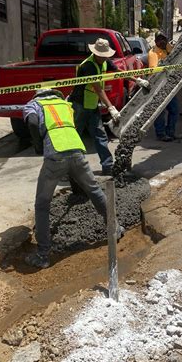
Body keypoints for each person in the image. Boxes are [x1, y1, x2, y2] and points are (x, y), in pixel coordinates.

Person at [23, 88, 123, 269]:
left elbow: (31, 122)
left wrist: (38, 145)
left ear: (37, 96)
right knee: (94, 190)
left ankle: (43, 255)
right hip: (77, 151)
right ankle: (115, 228)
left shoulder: (33, 105)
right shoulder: (65, 104)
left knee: (42, 203)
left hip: (55, 155)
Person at [69, 37, 120, 175]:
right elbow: (98, 89)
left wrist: (136, 79)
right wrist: (111, 107)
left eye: (106, 56)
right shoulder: (89, 66)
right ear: (95, 53)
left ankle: (108, 166)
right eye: (102, 56)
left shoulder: (104, 61)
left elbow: (119, 72)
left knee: (100, 135)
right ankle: (73, 169)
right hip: (79, 105)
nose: (104, 58)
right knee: (75, 137)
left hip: (91, 105)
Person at [148, 31, 179, 142]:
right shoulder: (153, 53)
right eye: (159, 39)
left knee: (174, 110)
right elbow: (154, 71)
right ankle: (161, 133)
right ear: (155, 41)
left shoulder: (167, 49)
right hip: (158, 86)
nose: (162, 41)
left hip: (169, 84)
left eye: (164, 39)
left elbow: (176, 55)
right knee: (160, 112)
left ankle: (170, 132)